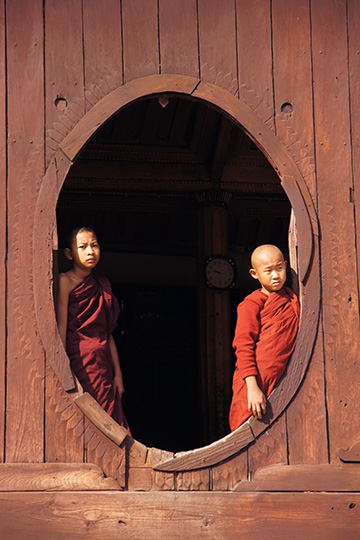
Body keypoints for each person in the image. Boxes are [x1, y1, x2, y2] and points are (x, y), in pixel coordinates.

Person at [57, 226, 130, 433]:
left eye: (94, 245)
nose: (90, 251)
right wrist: (62, 364)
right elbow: (62, 325)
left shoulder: (102, 285)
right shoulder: (65, 282)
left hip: (103, 359)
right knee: (87, 415)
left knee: (110, 417)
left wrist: (118, 373)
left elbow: (107, 334)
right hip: (79, 357)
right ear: (70, 253)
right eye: (83, 247)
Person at [229, 244, 300, 432]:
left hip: (285, 379)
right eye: (268, 271)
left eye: (279, 268)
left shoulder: (291, 298)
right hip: (256, 382)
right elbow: (243, 347)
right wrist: (252, 388)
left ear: (286, 265)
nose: (275, 275)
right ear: (254, 274)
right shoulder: (250, 305)